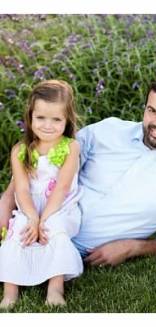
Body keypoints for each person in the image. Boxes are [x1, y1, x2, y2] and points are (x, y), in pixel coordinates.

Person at [0, 76, 156, 268]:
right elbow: (41, 164)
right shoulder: (108, 130)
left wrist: (132, 248)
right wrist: (6, 206)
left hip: (72, 251)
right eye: (152, 110)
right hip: (34, 225)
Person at [0, 80, 83, 308]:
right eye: (41, 118)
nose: (48, 125)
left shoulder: (71, 147)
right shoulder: (20, 150)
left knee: (52, 228)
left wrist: (43, 218)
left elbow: (62, 188)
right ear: (30, 117)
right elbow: (22, 189)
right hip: (28, 205)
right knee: (18, 231)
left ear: (67, 120)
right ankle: (10, 292)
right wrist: (32, 217)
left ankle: (55, 288)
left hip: (60, 206)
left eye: (56, 119)